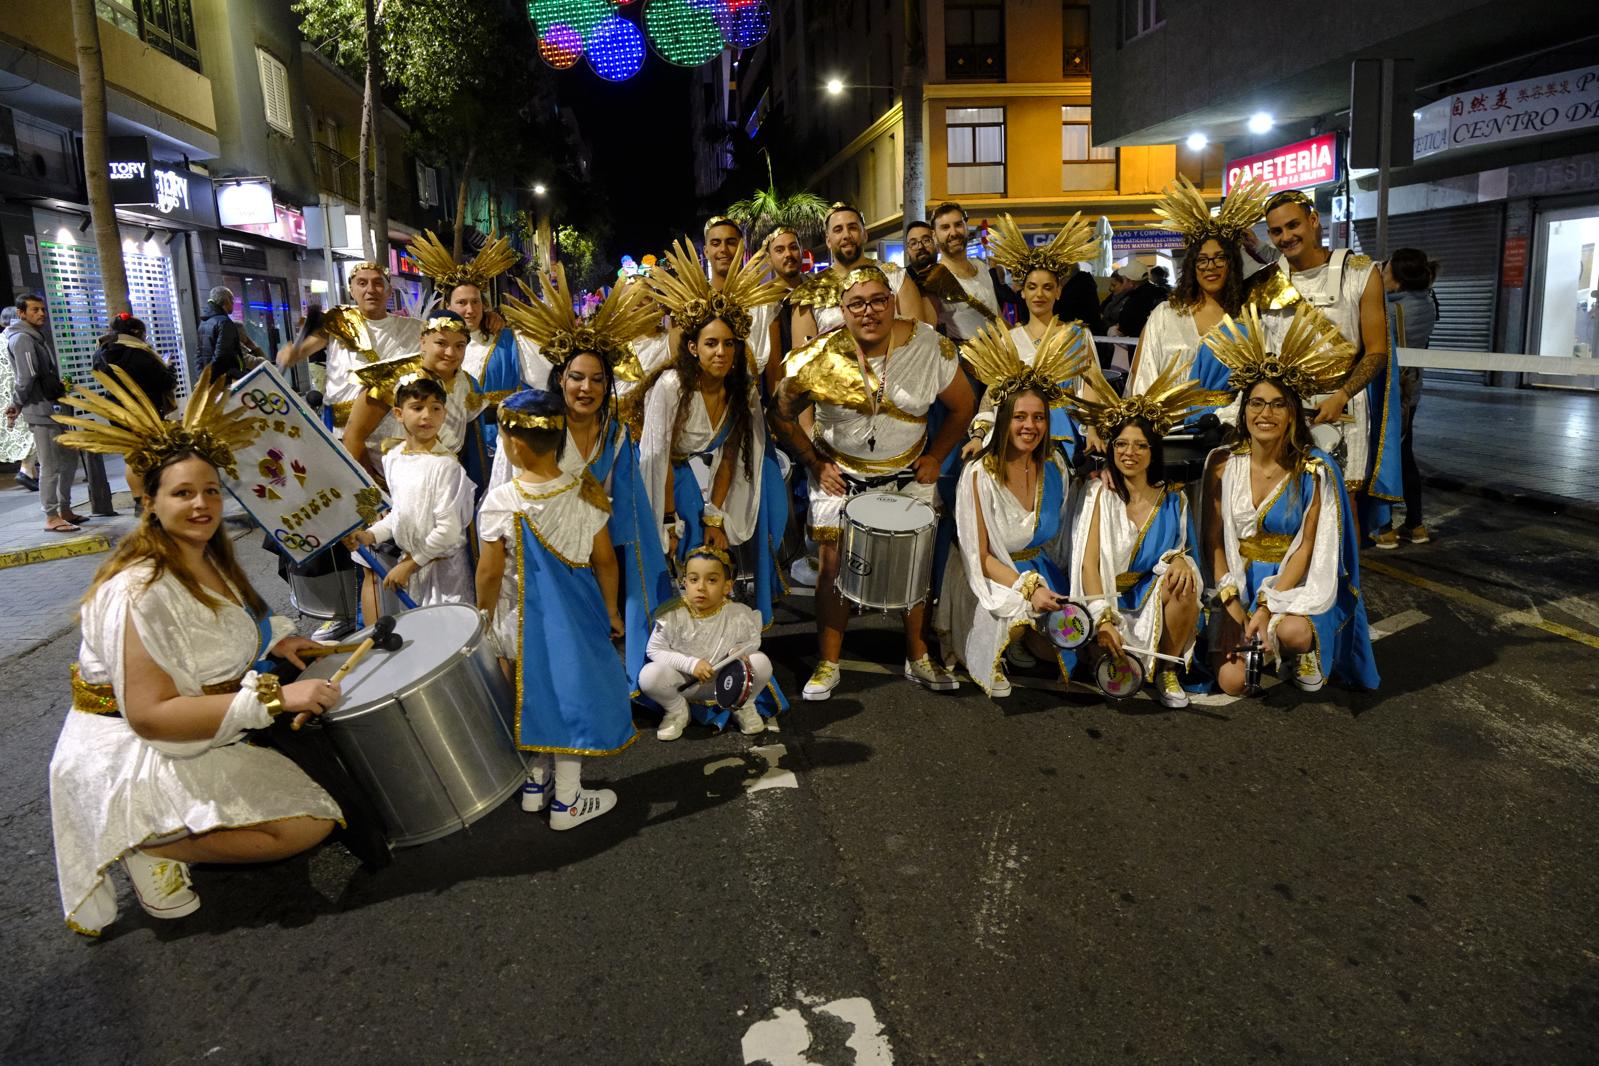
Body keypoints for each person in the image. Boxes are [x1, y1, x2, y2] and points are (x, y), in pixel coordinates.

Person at [47, 366, 343, 935]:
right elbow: (151, 714)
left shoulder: (206, 555)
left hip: (197, 728)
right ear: (150, 501)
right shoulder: (136, 591)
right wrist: (276, 699)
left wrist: (275, 639)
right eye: (183, 493)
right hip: (134, 750)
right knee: (308, 824)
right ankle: (154, 845)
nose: (202, 504)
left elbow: (230, 621)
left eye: (210, 490)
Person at [772, 265, 976, 699]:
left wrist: (937, 456)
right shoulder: (819, 355)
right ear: (842, 311)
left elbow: (963, 406)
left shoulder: (930, 347)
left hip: (908, 470)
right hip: (840, 473)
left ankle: (918, 657)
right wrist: (812, 462)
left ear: (892, 301)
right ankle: (828, 663)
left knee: (916, 564)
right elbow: (780, 413)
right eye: (857, 303)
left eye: (879, 300)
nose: (869, 311)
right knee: (831, 567)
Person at [498, 265, 674, 690]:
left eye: (598, 379)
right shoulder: (535, 425)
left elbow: (627, 507)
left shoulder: (613, 434)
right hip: (542, 549)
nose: (586, 388)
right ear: (560, 379)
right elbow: (505, 490)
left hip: (595, 544)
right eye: (576, 377)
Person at [1200, 304, 1380, 695]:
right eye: (1256, 403)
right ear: (1243, 409)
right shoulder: (1221, 464)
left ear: (1293, 414)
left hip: (1289, 583)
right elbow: (1212, 542)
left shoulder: (1315, 469)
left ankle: (1296, 648)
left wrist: (1267, 606)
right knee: (1233, 685)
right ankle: (1258, 643)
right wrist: (1232, 602)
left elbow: (1308, 548)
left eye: (1278, 404)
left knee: (1296, 633)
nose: (1265, 413)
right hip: (1235, 580)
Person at [475, 389, 633, 829]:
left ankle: (538, 785)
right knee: (572, 696)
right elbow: (605, 560)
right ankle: (567, 798)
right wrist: (612, 611)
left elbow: (489, 573)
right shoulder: (584, 489)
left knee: (537, 693)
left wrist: (482, 616)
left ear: (515, 444)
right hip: (579, 615)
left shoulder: (502, 500)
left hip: (523, 619)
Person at [641, 238, 789, 625]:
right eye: (710, 344)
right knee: (684, 544)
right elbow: (658, 459)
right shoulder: (672, 387)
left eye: (728, 344)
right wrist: (670, 521)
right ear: (692, 348)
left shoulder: (742, 391)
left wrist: (715, 517)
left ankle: (720, 628)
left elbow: (731, 458)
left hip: (710, 478)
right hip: (668, 479)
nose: (720, 352)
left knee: (734, 530)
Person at [1065, 358, 1223, 708]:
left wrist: (1181, 560)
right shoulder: (1098, 494)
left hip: (1151, 597)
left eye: (1140, 445)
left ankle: (1168, 669)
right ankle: (1104, 649)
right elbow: (1089, 565)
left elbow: (1183, 549)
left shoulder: (1174, 498)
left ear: (1154, 451)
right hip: (1107, 601)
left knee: (1184, 582)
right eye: (1121, 444)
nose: (1129, 453)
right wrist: (1103, 618)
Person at [934, 327, 1080, 697]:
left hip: (1038, 569)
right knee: (1015, 616)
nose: (1030, 426)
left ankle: (1028, 636)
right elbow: (979, 557)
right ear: (1003, 420)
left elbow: (1058, 544)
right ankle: (1000, 638)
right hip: (990, 577)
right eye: (1020, 417)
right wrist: (1026, 588)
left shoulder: (1056, 469)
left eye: (1039, 418)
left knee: (1072, 647)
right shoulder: (979, 474)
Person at [1252, 190, 1401, 527]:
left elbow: (1376, 351)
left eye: (1293, 225)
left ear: (1313, 219)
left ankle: (1344, 580)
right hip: (1281, 410)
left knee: (1340, 504)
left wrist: (1342, 395)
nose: (1286, 237)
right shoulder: (1266, 283)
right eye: (1276, 231)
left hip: (1342, 410)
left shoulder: (1361, 272)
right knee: (1284, 499)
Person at [1129, 176, 1272, 427]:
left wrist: (1226, 421)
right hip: (1168, 430)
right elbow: (1144, 376)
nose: (1210, 267)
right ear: (1192, 266)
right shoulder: (1166, 315)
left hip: (1228, 432)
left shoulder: (1248, 319)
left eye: (1220, 258)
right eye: (1202, 260)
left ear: (1232, 264)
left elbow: (1259, 384)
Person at [963, 213, 1103, 462]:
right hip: (1016, 437)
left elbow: (1090, 386)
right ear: (1023, 292)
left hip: (1062, 438)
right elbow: (994, 392)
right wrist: (978, 435)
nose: (1040, 294)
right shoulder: (1010, 339)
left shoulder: (1075, 336)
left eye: (1048, 287)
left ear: (1059, 292)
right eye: (1032, 287)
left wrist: (1092, 430)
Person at [345, 376, 475, 606]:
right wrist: (371, 535)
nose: (427, 416)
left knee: (447, 633)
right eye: (417, 408)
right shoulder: (393, 458)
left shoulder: (446, 466)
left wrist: (410, 564)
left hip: (443, 571)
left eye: (436, 408)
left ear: (444, 415)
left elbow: (448, 531)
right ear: (398, 413)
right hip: (415, 567)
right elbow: (401, 512)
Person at [640, 545, 785, 739]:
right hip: (685, 682)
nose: (701, 587)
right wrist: (691, 664)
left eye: (712, 580)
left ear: (727, 586)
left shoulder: (738, 614)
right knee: (649, 676)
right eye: (693, 579)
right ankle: (676, 710)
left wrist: (739, 650)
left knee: (761, 662)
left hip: (727, 682)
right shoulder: (672, 615)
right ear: (684, 582)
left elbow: (753, 640)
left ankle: (743, 706)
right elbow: (655, 650)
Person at [276, 262, 423, 432]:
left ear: (389, 290)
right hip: (342, 429)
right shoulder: (338, 321)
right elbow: (301, 352)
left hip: (392, 429)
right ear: (351, 291)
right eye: (362, 283)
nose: (370, 289)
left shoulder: (413, 328)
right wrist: (290, 355)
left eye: (378, 283)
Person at [343, 310, 485, 481]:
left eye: (459, 346)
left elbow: (471, 446)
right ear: (423, 342)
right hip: (390, 488)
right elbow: (353, 436)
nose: (450, 353)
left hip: (443, 483)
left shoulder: (469, 384)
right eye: (441, 343)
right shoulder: (392, 379)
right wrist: (376, 495)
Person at [790, 203, 931, 345]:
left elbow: (919, 340)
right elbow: (803, 357)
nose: (846, 235)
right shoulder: (809, 292)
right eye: (838, 230)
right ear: (828, 240)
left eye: (852, 228)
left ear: (865, 234)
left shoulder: (896, 276)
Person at [1374, 248, 1438, 549]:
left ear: (1398, 281)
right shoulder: (1427, 302)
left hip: (1387, 393)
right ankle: (1416, 524)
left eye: (1384, 271)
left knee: (1380, 459)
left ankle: (1384, 527)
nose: (1380, 276)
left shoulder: (1391, 310)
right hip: (1411, 393)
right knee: (1405, 456)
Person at [5, 292, 86, 532]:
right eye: (35, 310)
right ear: (21, 313)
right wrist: (17, 403)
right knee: (50, 464)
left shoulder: (35, 337)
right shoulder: (22, 339)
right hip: (39, 409)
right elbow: (26, 375)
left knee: (70, 457)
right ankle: (51, 516)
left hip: (52, 407)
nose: (41, 313)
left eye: (42, 309)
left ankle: (65, 509)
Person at [91, 313, 178, 500]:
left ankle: (139, 498)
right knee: (149, 453)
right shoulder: (140, 352)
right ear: (137, 332)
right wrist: (169, 367)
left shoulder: (101, 352)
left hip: (117, 410)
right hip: (144, 410)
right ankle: (149, 498)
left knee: (132, 455)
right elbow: (165, 382)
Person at [919, 201, 1010, 342]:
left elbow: (997, 318)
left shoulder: (981, 266)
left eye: (958, 225)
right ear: (934, 235)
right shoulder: (933, 278)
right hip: (963, 360)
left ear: (966, 227)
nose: (953, 233)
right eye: (945, 227)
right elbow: (928, 335)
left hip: (999, 354)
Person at [0, 304, 37, 487]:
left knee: (21, 435)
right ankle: (26, 471)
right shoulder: (19, 338)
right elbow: (24, 373)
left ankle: (31, 472)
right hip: (19, 396)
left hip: (4, 397)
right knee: (33, 433)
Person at [196, 287, 263, 384]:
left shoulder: (204, 322)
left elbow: (199, 355)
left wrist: (202, 377)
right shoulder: (225, 323)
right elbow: (222, 356)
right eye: (232, 301)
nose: (233, 304)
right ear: (226, 301)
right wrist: (209, 379)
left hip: (211, 379)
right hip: (224, 380)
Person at [1114, 263, 1168, 340]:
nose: (1123, 283)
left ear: (1131, 283)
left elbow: (1124, 328)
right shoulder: (1161, 292)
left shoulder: (1135, 300)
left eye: (1124, 280)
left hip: (1139, 344)